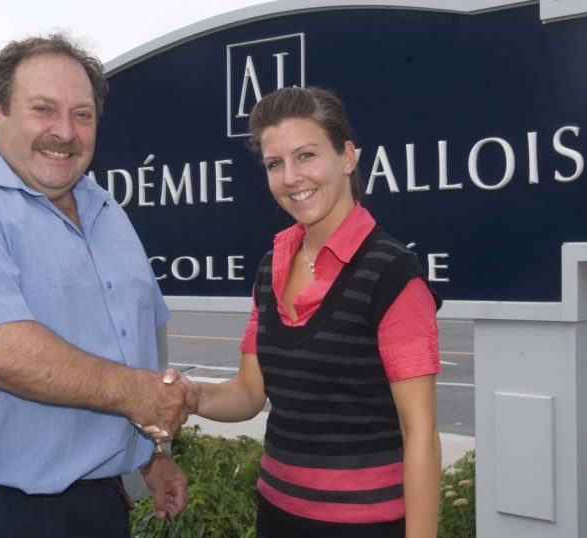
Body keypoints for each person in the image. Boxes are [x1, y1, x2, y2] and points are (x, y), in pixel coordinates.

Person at [0, 34, 195, 538]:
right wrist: (137, 395)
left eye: (82, 114)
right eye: (43, 109)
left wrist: (151, 454)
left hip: (95, 506)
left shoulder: (107, 211)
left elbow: (132, 343)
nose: (64, 131)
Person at [155, 86, 442, 537]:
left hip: (365, 526)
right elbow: (250, 392)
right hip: (276, 516)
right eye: (275, 164)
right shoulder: (272, 267)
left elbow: (420, 433)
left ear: (346, 157)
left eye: (306, 155)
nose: (291, 177)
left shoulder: (393, 276)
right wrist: (189, 395)